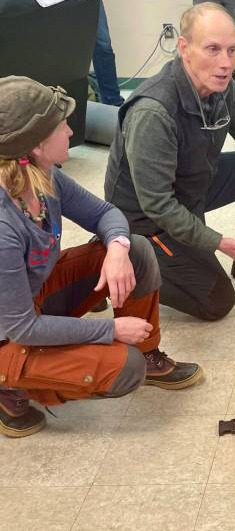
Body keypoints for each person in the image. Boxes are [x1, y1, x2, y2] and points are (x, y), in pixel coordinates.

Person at [0, 76, 202, 439]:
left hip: (33, 301)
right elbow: (23, 328)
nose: (70, 129)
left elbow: (107, 214)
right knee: (124, 368)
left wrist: (118, 250)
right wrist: (109, 329)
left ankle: (147, 351)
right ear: (35, 145)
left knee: (136, 248)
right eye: (60, 125)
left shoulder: (43, 177)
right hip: (11, 332)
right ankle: (10, 382)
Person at [104, 2, 235, 323]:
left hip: (192, 186)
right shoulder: (154, 111)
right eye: (213, 49)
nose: (225, 63)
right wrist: (218, 242)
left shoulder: (223, 88)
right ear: (184, 48)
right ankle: (112, 267)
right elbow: (158, 205)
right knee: (216, 301)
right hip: (145, 222)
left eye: (232, 51)